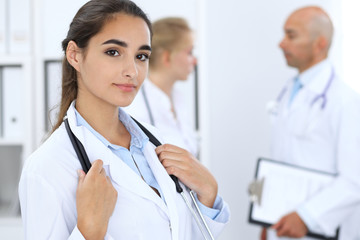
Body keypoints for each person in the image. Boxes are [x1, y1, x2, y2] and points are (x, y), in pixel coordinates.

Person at [18, 0, 230, 239]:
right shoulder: (48, 166)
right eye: (113, 52)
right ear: (75, 56)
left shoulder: (157, 142)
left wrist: (208, 194)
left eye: (141, 56)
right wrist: (89, 231)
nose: (133, 70)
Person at [262, 6, 360, 240]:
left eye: (291, 35)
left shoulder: (346, 102)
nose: (281, 44)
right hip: (281, 224)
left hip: (319, 228)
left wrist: (306, 216)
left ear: (320, 43)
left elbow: (354, 179)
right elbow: (280, 160)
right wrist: (265, 221)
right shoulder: (288, 92)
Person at [124, 17, 199, 157]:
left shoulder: (178, 98)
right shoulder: (135, 104)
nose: (195, 61)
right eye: (189, 53)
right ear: (167, 57)